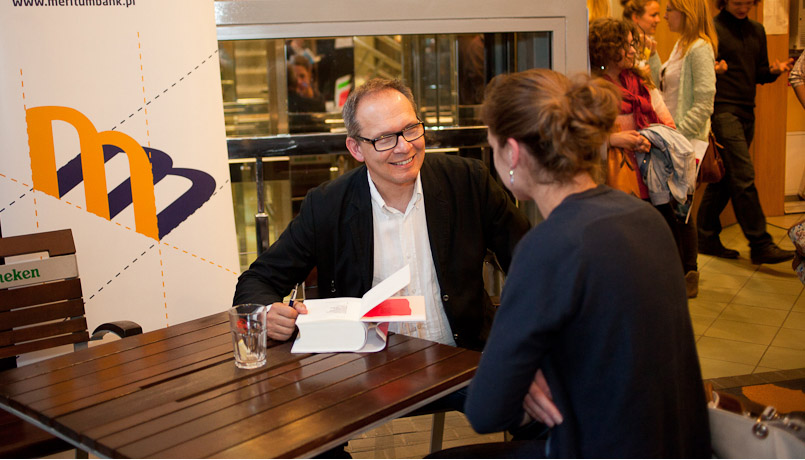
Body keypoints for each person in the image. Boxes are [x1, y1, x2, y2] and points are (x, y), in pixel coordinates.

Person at [429, 69, 710, 458]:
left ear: (513, 153)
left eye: (493, 146)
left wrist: (523, 379)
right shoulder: (645, 219)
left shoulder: (549, 247)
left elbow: (486, 410)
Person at [233, 78, 530, 353]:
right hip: (370, 373)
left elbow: (531, 258)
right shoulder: (327, 205)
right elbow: (257, 280)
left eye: (411, 129)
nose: (404, 147)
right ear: (356, 148)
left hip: (465, 361)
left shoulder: (467, 182)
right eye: (385, 139)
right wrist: (267, 313)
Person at [591, 18, 699, 298]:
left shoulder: (640, 81)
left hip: (649, 176)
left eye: (632, 44)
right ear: (606, 48)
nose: (632, 50)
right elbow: (580, 136)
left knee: (660, 236)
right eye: (625, 44)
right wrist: (614, 139)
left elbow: (666, 122)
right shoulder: (591, 87)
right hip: (611, 178)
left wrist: (653, 137)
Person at [696, 0, 795, 264]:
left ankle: (705, 236)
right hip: (722, 110)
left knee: (727, 179)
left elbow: (758, 73)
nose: (743, 8)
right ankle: (760, 244)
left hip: (747, 111)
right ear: (724, 2)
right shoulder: (713, 29)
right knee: (743, 176)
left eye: (748, 3)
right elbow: (701, 71)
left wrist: (773, 71)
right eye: (737, 3)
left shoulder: (757, 30)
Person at [651, 0, 718, 297]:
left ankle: (688, 274)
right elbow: (663, 88)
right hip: (675, 140)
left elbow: (704, 104)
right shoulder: (681, 46)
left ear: (686, 11)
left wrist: (674, 136)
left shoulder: (700, 48)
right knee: (674, 210)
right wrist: (653, 55)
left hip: (687, 144)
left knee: (682, 211)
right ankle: (679, 273)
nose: (665, 16)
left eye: (670, 10)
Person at [621, 0, 662, 77]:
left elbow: (658, 79)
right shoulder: (622, 45)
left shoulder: (648, 43)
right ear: (636, 17)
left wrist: (653, 55)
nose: (658, 20)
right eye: (653, 15)